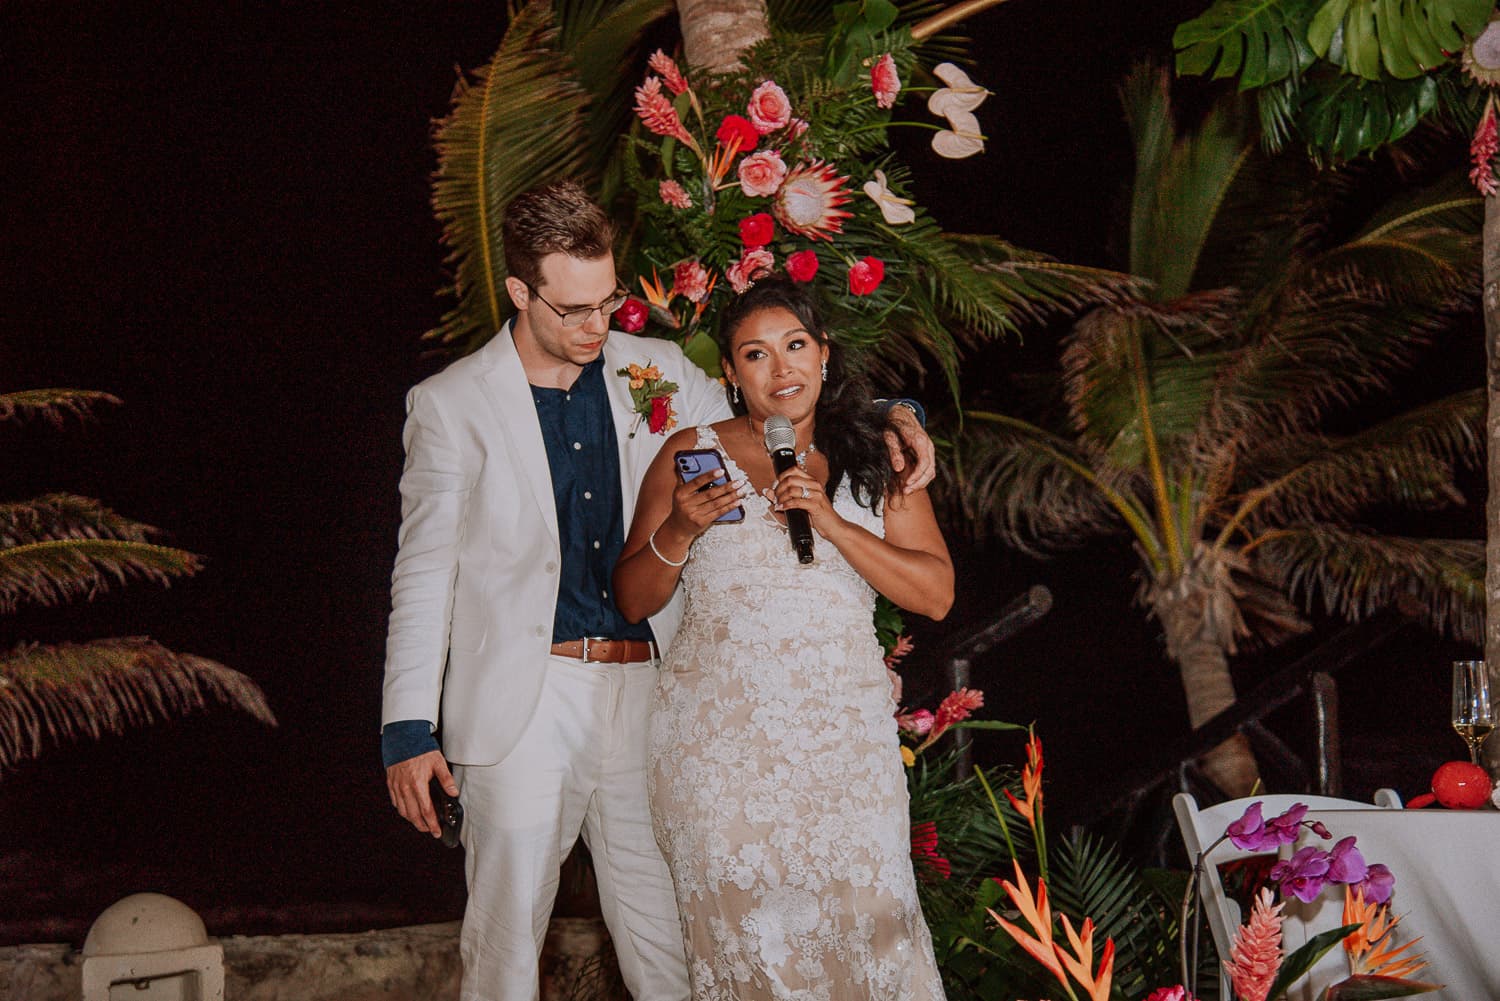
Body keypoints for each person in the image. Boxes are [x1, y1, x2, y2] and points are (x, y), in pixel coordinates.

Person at [379, 180, 935, 1001]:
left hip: (655, 691)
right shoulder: (450, 404)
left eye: (606, 302)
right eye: (572, 309)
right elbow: (423, 569)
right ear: (520, 292)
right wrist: (405, 727)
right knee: (503, 955)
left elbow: (777, 406)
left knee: (674, 947)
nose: (596, 326)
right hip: (527, 703)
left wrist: (893, 410)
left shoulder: (657, 368)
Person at [613, 278, 955, 1000]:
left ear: (824, 355)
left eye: (796, 345)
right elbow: (633, 596)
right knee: (752, 956)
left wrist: (831, 523)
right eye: (756, 354)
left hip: (845, 756)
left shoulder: (877, 452)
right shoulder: (689, 453)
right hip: (719, 761)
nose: (782, 368)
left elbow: (934, 592)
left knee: (874, 937)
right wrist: (678, 527)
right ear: (732, 375)